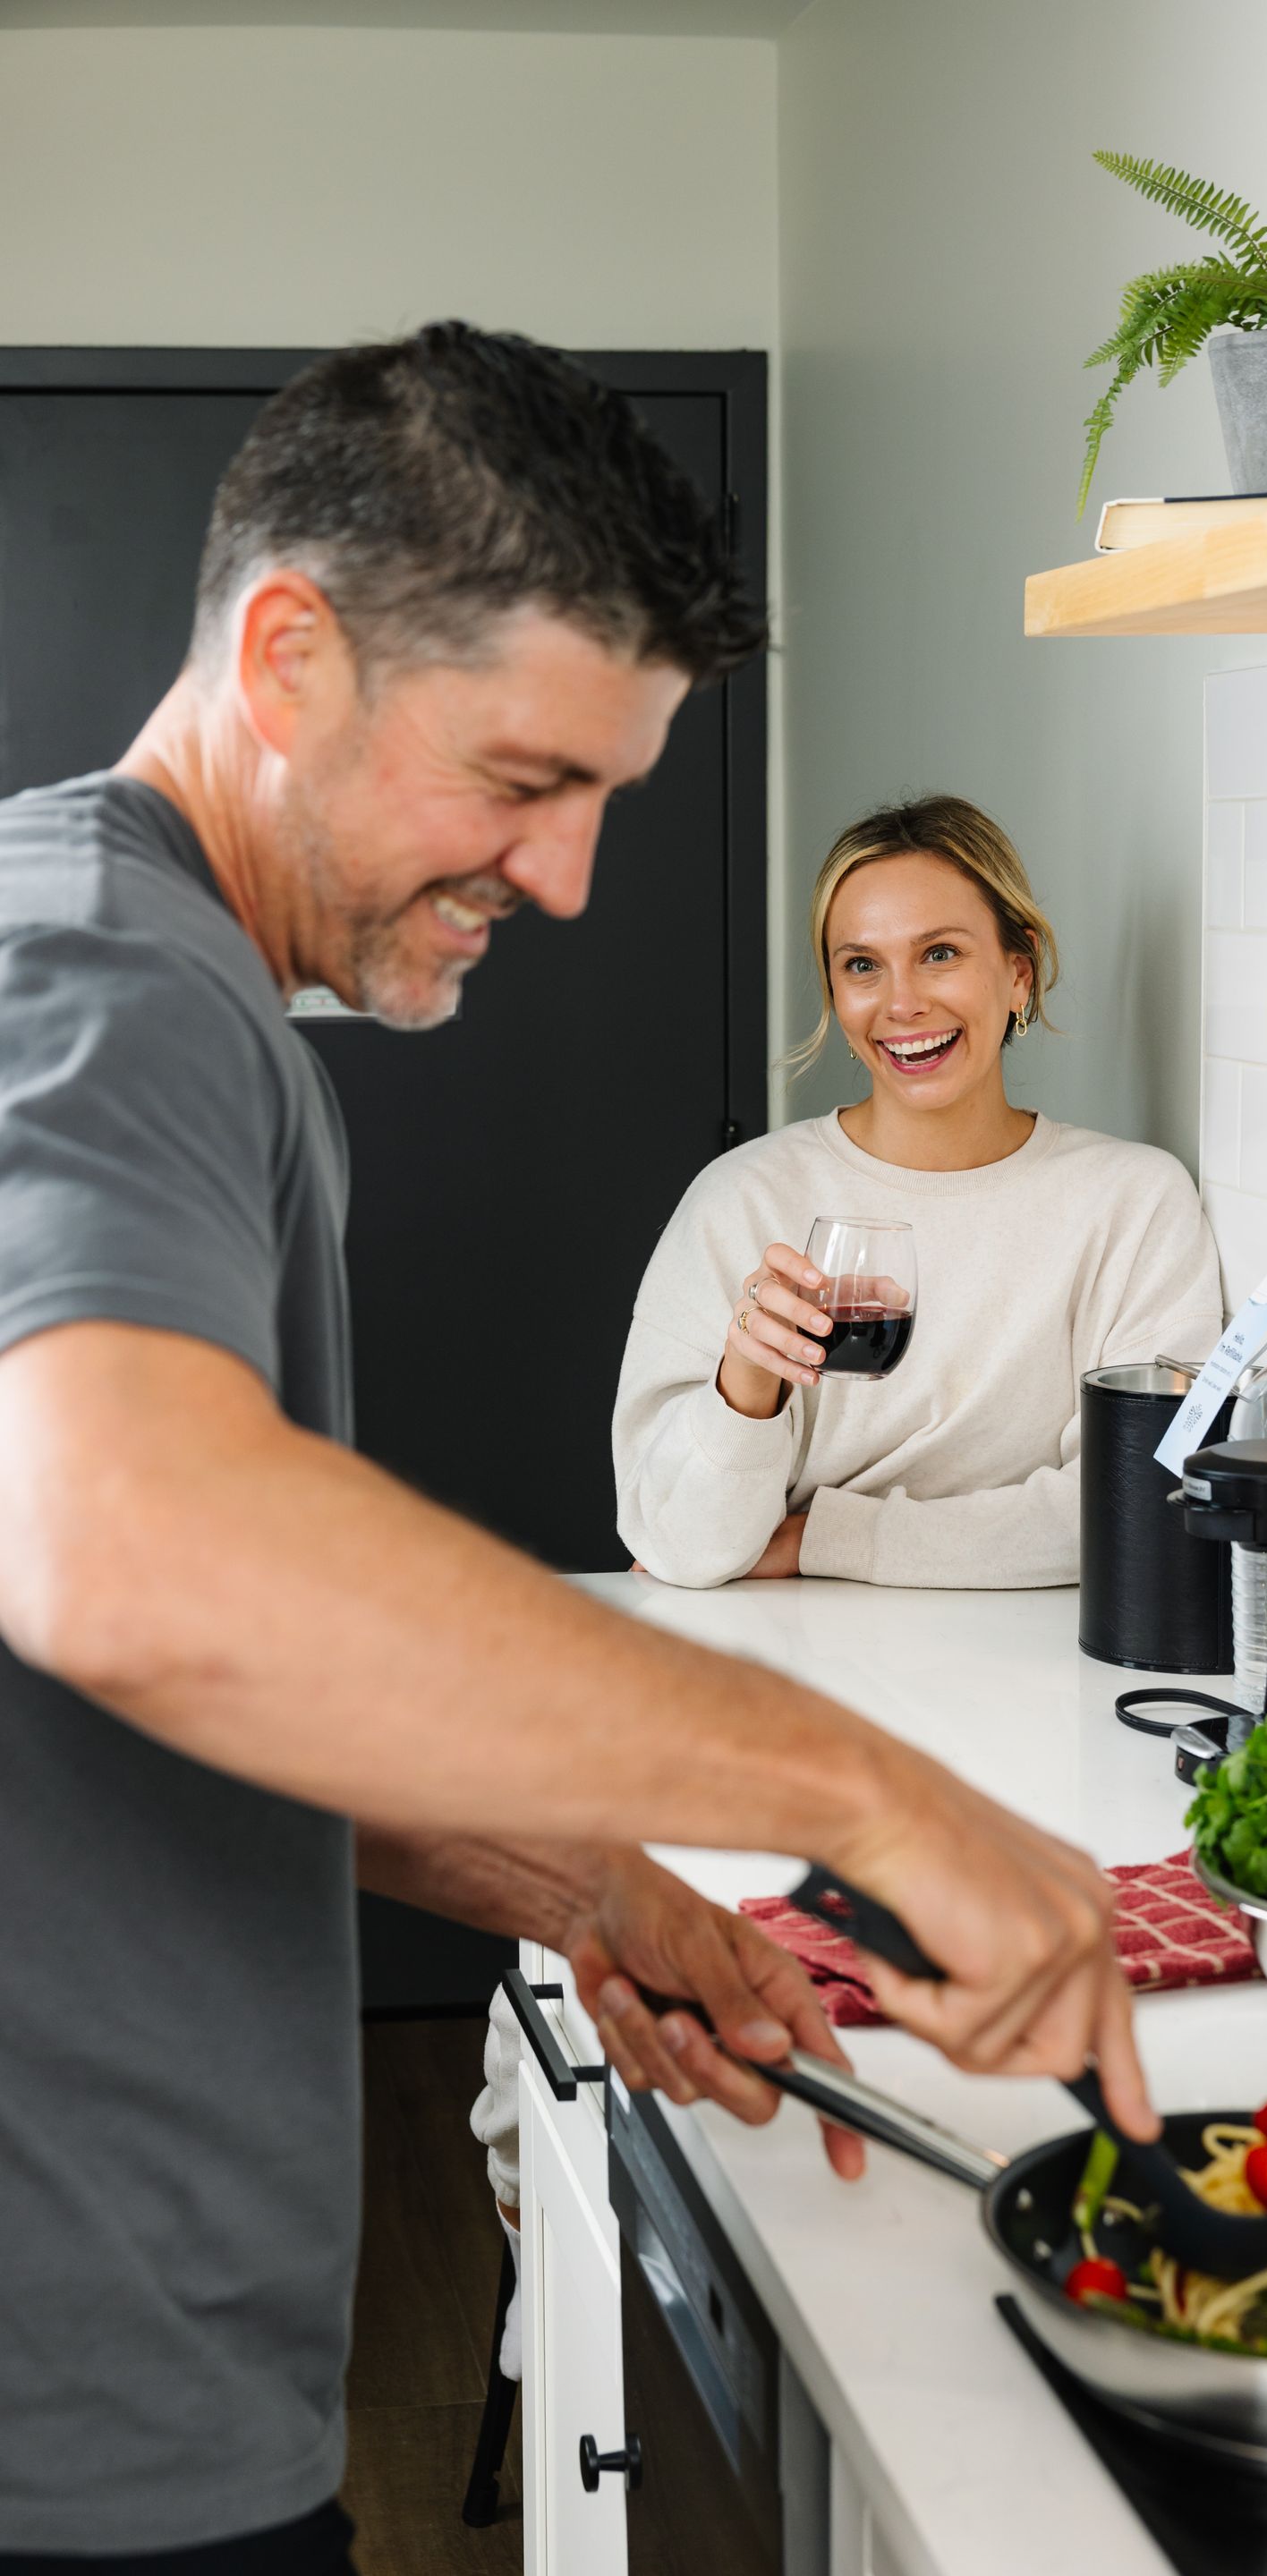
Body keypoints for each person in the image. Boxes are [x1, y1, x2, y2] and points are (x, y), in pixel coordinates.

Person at [0, 327, 1153, 2572]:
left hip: (149, 2363)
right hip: (65, 2405)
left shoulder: (186, 993)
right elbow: (126, 1553)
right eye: (525, 778)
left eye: (607, 794)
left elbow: (164, 1703)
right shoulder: (105, 982)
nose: (572, 880)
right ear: (288, 654)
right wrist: (879, 1797)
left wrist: (589, 1887)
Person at [613, 795, 1222, 1588]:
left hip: (1023, 1674)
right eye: (862, 964)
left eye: (940, 953)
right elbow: (677, 1548)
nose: (902, 1003)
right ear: (836, 994)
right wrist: (746, 1385)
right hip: (774, 1671)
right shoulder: (742, 1202)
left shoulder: (1134, 1204)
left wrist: (818, 1539)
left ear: (1018, 969)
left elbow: (1137, 1504)